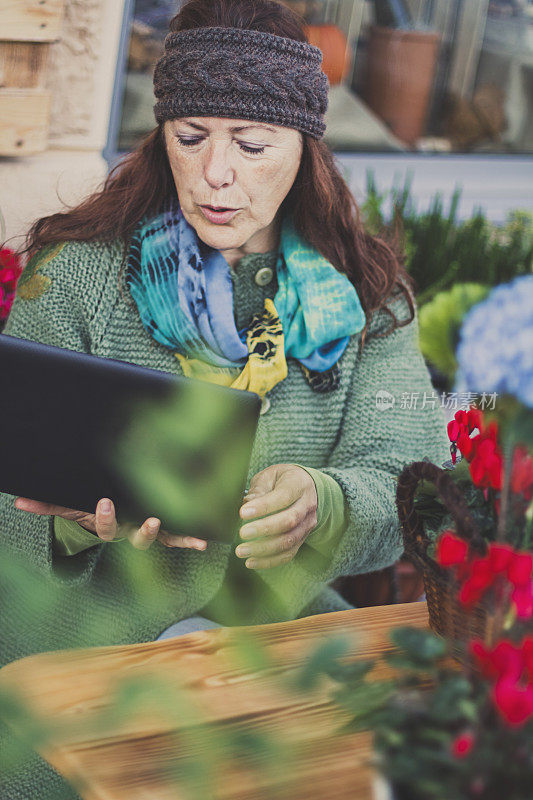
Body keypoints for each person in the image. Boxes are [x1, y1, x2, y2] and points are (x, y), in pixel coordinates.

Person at [0, 1, 451, 796]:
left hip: (281, 656)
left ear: (304, 148)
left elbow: (411, 480)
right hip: (88, 666)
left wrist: (326, 502)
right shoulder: (75, 278)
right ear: (159, 135)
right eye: (190, 137)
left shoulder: (368, 300)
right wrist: (69, 528)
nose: (216, 173)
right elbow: (9, 495)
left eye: (251, 144)